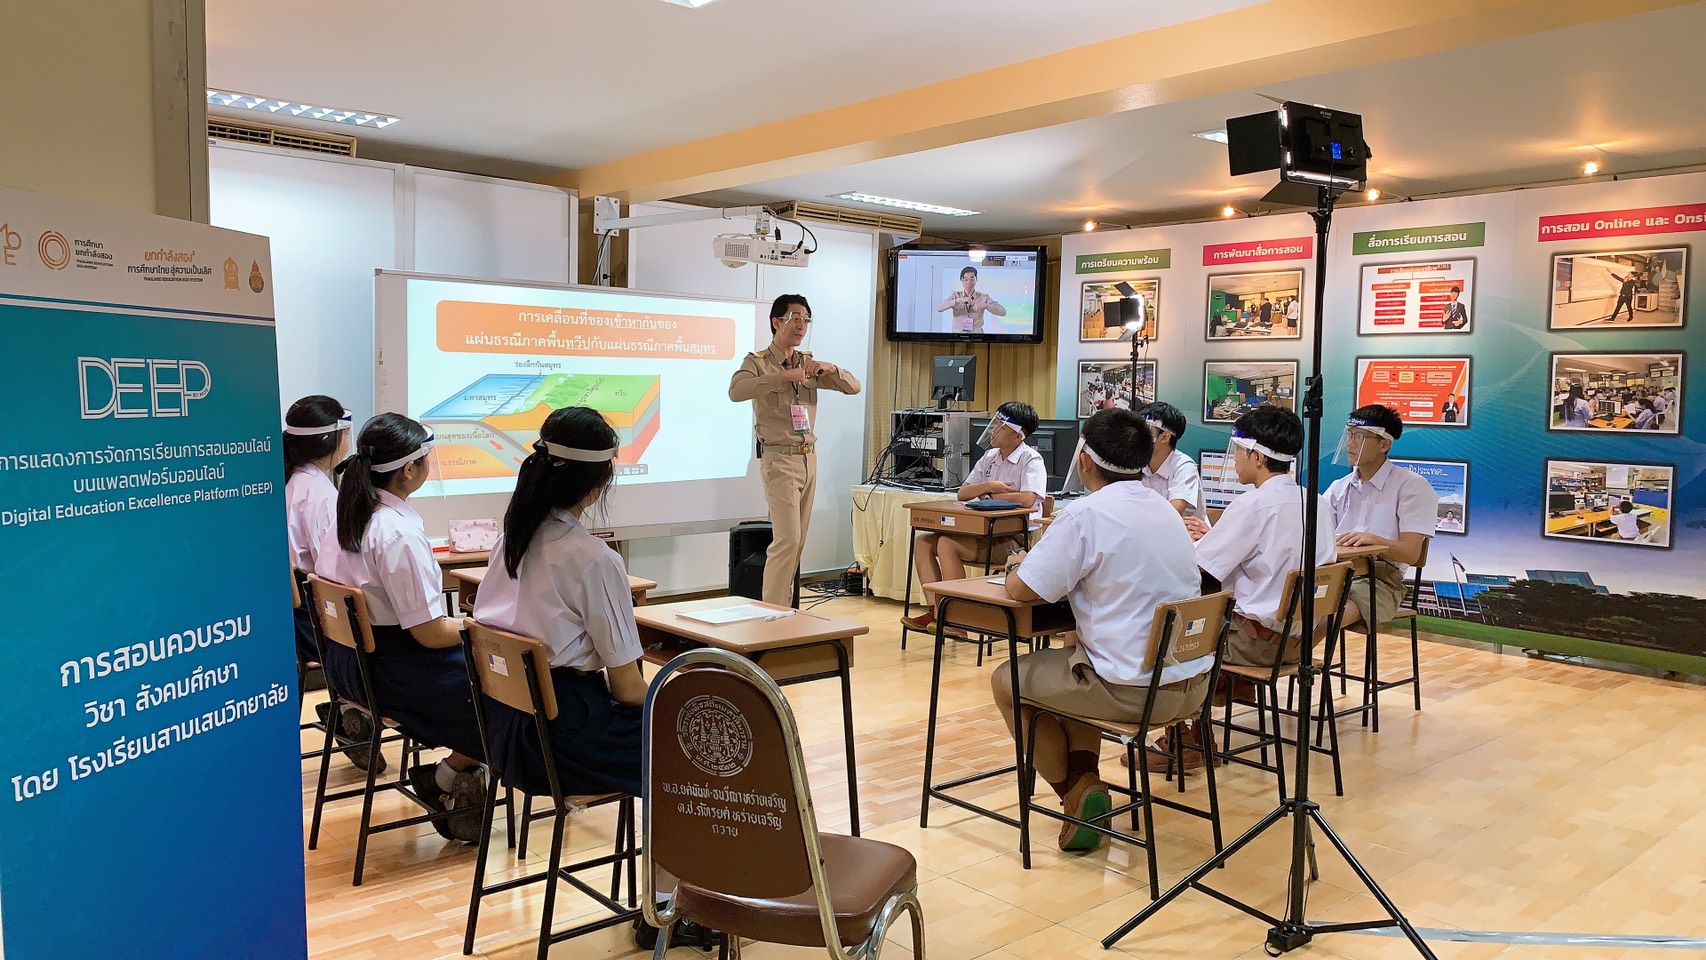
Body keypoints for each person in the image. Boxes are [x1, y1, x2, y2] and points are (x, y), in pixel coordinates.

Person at [991, 409, 1205, 852]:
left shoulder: (1085, 514)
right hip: (1190, 684)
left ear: (1085, 460)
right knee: (1077, 659)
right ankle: (1084, 786)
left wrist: (1016, 565)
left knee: (1007, 681)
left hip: (1132, 690)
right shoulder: (1166, 511)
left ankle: (1074, 792)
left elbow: (1024, 589)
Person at [315, 413, 490, 842]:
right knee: (509, 697)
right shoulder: (396, 532)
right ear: (409, 469)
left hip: (349, 667)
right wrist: (475, 627)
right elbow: (428, 634)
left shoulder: (350, 516)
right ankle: (447, 777)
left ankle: (449, 777)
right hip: (394, 673)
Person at [1165, 406, 1335, 770]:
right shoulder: (1317, 503)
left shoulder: (1252, 505)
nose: (1235, 459)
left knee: (1167, 631)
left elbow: (1201, 570)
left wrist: (1198, 544)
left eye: (1239, 451)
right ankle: (1225, 690)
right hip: (1299, 642)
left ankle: (1188, 736)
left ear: (1257, 456)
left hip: (1254, 644)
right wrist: (1215, 536)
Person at [728, 295, 862, 606]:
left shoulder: (808, 363)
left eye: (805, 319)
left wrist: (830, 368)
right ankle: (773, 613)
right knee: (787, 540)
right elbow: (736, 391)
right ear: (776, 322)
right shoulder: (758, 362)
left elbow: (853, 386)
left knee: (797, 543)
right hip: (779, 458)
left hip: (808, 458)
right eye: (794, 318)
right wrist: (781, 377)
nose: (801, 325)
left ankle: (785, 610)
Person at [284, 396, 375, 771]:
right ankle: (351, 705)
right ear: (331, 439)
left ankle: (348, 707)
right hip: (316, 619)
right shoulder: (319, 494)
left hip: (301, 617)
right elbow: (333, 568)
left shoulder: (295, 482)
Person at [902, 402, 1046, 634]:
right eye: (995, 424)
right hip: (982, 533)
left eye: (1000, 426)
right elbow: (963, 493)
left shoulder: (1031, 460)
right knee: (923, 542)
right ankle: (937, 612)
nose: (993, 430)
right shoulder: (990, 457)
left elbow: (1028, 498)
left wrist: (992, 495)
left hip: (1013, 541)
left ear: (1017, 436)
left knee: (946, 543)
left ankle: (959, 618)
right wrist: (989, 486)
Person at [1326, 405, 1439, 633]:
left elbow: (1411, 553)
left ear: (1384, 444)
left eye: (1359, 437)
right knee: (1297, 609)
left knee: (1323, 619)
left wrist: (1375, 541)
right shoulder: (1339, 487)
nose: (1350, 444)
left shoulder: (1411, 486)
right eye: (1349, 435)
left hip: (1381, 580)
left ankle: (1296, 652)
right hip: (1338, 572)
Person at [1135, 401, 1205, 518]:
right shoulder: (1138, 463)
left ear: (1165, 437)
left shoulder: (1184, 466)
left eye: (1146, 431)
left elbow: (1172, 515)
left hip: (1182, 529)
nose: (1138, 437)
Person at [936, 265, 1006, 333]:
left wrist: (986, 305)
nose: (969, 282)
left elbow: (1003, 312)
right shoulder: (956, 296)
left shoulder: (983, 297)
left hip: (977, 337)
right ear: (961, 281)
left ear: (976, 280)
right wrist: (958, 301)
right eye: (966, 279)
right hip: (958, 337)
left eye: (972, 279)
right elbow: (939, 308)